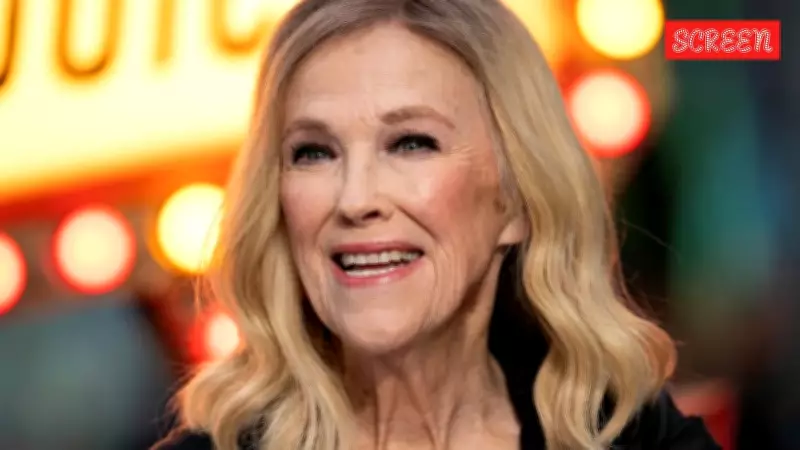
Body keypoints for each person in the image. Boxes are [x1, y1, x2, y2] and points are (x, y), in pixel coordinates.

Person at [154, 0, 721, 449]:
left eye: (411, 143)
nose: (355, 199)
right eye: (314, 152)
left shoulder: (628, 434)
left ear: (516, 200)